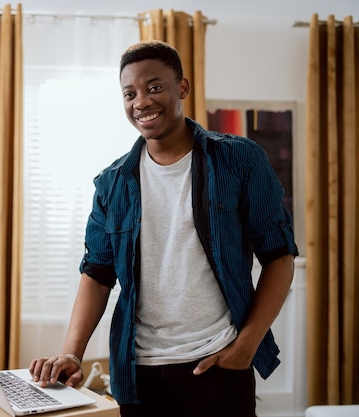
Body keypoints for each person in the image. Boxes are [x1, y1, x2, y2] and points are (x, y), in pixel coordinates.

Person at [29, 40, 298, 417]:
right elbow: (97, 273)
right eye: (130, 93)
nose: (141, 101)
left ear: (182, 88)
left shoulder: (239, 159)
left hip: (219, 364)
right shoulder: (111, 183)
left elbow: (279, 257)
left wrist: (246, 347)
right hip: (139, 375)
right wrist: (72, 351)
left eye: (154, 87)